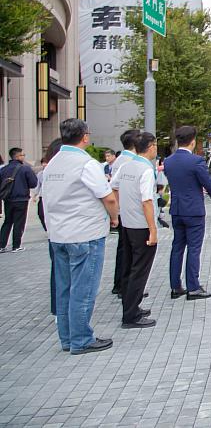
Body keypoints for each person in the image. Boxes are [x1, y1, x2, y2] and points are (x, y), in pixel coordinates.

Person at [42, 118, 119, 355]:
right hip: (85, 234)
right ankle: (81, 339)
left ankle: (67, 338)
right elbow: (108, 197)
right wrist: (114, 218)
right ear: (85, 137)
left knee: (64, 288)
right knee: (83, 289)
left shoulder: (52, 164)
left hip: (58, 235)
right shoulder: (87, 164)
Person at [163, 126, 211, 300]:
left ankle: (175, 286)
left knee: (177, 247)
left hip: (177, 210)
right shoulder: (196, 161)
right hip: (193, 211)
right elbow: (207, 182)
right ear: (193, 141)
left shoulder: (168, 161)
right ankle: (193, 287)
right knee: (194, 248)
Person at [112, 132, 159, 329]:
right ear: (150, 147)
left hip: (127, 223)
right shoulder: (146, 170)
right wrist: (153, 230)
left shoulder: (126, 166)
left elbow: (113, 187)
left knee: (129, 267)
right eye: (155, 145)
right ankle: (131, 316)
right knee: (140, 271)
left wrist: (120, 210)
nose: (156, 148)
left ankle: (130, 308)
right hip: (142, 226)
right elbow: (147, 201)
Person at [34, 140, 62, 315]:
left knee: (57, 270)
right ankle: (63, 309)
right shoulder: (67, 171)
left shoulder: (47, 172)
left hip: (55, 230)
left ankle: (57, 308)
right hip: (71, 231)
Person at [111, 130, 140, 297]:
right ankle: (124, 285)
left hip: (122, 210)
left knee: (123, 249)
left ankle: (120, 284)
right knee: (129, 250)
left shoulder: (120, 159)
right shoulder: (129, 161)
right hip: (127, 211)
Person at [0, 148, 38, 253]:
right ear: (17, 157)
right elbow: (33, 183)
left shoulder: (3, 169)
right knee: (19, 222)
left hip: (7, 199)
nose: (24, 156)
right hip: (21, 199)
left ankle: (1, 245)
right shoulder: (25, 169)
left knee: (7, 222)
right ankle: (16, 246)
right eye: (22, 155)